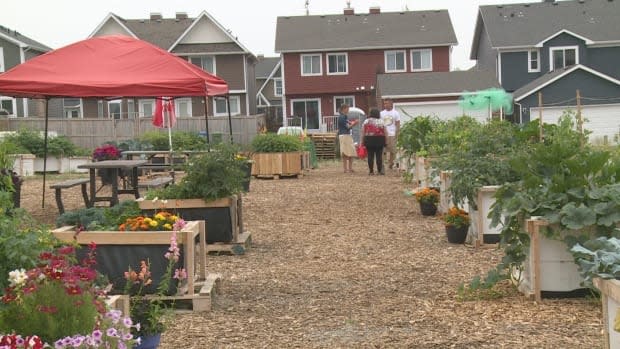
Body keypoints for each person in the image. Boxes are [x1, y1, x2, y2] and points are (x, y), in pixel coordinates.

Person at [360, 108, 386, 175]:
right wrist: (386, 141)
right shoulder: (381, 121)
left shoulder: (366, 121)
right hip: (380, 139)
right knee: (379, 156)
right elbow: (385, 132)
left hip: (369, 139)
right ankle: (379, 171)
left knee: (370, 155)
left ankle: (371, 171)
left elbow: (363, 132)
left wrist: (361, 142)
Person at [380, 98, 401, 170]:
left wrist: (397, 133)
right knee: (383, 151)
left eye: (387, 103)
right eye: (384, 103)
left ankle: (391, 164)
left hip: (392, 134)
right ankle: (382, 164)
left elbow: (398, 124)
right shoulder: (381, 113)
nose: (385, 105)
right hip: (383, 135)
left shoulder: (395, 113)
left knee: (393, 151)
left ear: (391, 104)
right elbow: (380, 124)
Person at [337, 104, 358, 173]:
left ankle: (348, 168)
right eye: (347, 109)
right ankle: (347, 168)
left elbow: (348, 124)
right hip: (345, 135)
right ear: (344, 109)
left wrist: (352, 123)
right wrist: (354, 123)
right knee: (347, 152)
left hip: (345, 135)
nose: (348, 110)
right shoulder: (342, 117)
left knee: (349, 152)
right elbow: (348, 127)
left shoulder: (343, 117)